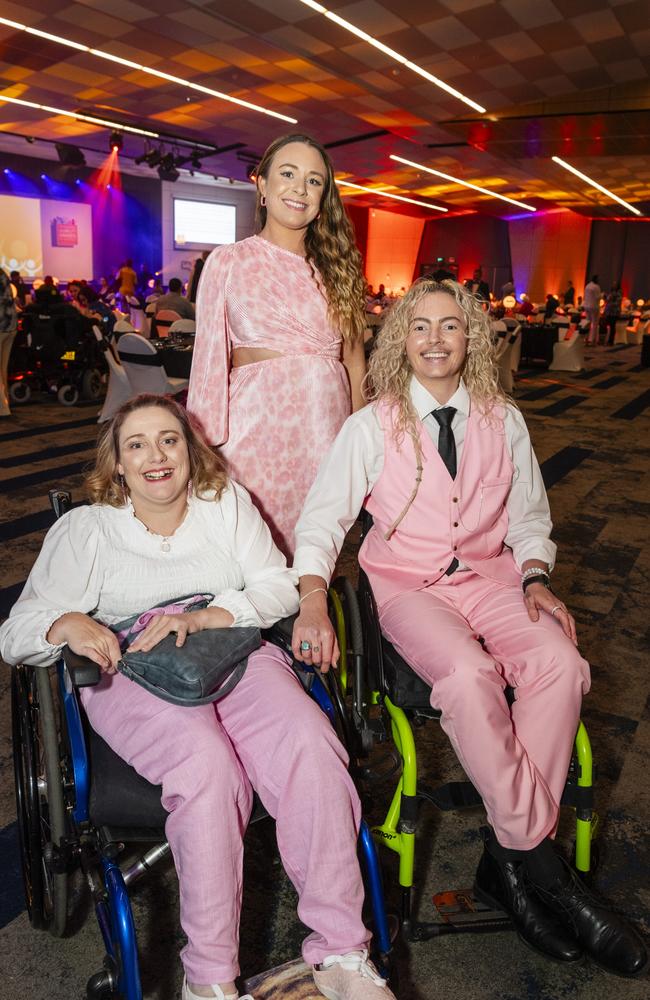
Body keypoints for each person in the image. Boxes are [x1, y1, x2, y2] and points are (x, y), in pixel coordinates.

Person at [290, 279, 647, 978]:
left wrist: (537, 574)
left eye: (449, 327)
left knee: (562, 664)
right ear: (401, 340)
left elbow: (530, 519)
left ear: (471, 339)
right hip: (410, 590)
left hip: (493, 579)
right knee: (468, 675)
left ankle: (508, 857)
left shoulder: (502, 418)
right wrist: (309, 596)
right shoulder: (372, 425)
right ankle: (544, 870)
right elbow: (323, 520)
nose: (433, 339)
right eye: (418, 327)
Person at [0, 394, 396, 1000]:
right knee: (209, 770)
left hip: (228, 646)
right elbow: (16, 631)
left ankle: (342, 952)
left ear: (190, 449)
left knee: (312, 745)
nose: (155, 456)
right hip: (132, 665)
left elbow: (276, 587)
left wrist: (213, 615)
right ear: (118, 464)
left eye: (168, 440)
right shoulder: (87, 529)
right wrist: (67, 626)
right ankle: (209, 980)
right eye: (136, 444)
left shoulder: (224, 504)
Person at [187, 133, 367, 557]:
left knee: (316, 557)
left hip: (326, 434)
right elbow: (208, 363)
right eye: (287, 174)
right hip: (253, 440)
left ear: (324, 197)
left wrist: (363, 445)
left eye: (314, 180)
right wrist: (202, 448)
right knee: (249, 556)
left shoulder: (338, 272)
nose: (300, 188)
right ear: (262, 185)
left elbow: (355, 365)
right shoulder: (228, 261)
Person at [0, 266, 18, 417]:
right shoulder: (2, 274)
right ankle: (6, 403)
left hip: (1, 326)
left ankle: (3, 407)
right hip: (10, 325)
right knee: (3, 369)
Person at [583, 275, 601, 346]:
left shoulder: (587, 286)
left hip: (586, 306)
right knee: (595, 324)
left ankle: (586, 339)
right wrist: (602, 295)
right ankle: (593, 341)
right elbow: (597, 297)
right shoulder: (596, 287)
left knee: (588, 323)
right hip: (594, 307)